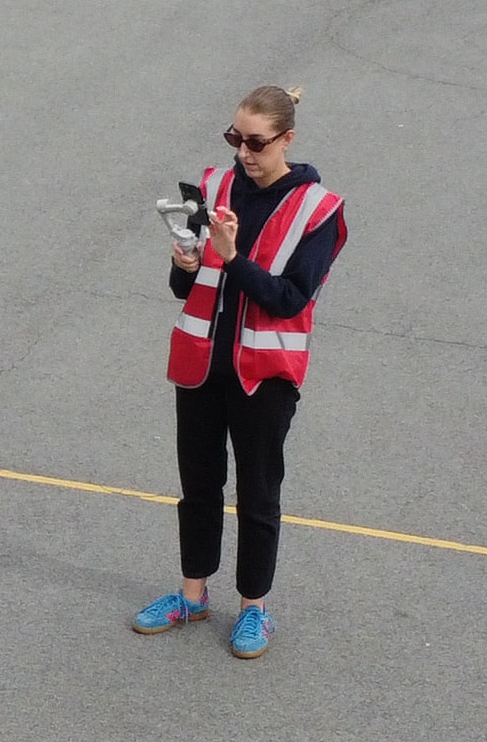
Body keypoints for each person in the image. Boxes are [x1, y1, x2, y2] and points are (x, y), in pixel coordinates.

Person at [134, 84, 347, 660]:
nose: (243, 152)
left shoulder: (318, 210)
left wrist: (232, 257)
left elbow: (290, 298)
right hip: (203, 364)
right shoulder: (216, 187)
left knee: (258, 493)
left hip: (265, 375)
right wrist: (186, 261)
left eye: (255, 142)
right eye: (235, 138)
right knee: (198, 487)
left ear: (287, 140)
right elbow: (187, 287)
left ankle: (254, 607)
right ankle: (192, 594)